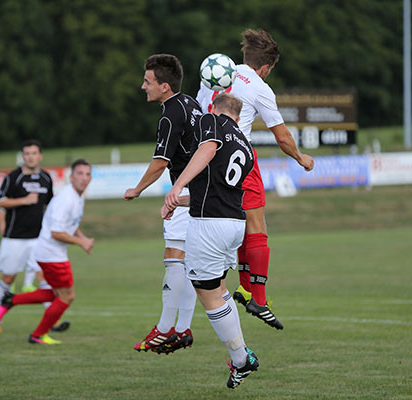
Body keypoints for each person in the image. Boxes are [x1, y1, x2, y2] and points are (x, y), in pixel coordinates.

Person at [197, 28, 315, 329]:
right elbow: (282, 135)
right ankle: (259, 300)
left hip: (208, 160)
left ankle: (245, 287)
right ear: (266, 67)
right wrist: (301, 158)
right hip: (239, 156)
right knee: (257, 227)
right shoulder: (259, 86)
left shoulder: (219, 72)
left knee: (239, 223)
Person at [162, 93, 258, 389]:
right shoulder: (245, 143)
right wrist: (179, 203)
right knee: (218, 287)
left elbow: (207, 148)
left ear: (213, 108)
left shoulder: (210, 121)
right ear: (239, 117)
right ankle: (243, 353)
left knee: (208, 294)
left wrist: (176, 187)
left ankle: (242, 360)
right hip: (234, 223)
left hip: (210, 225)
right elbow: (215, 190)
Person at [124, 54, 203, 354]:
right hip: (199, 194)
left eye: (148, 81)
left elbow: (161, 163)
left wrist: (138, 189)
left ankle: (165, 327)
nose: (142, 86)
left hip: (188, 192)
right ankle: (181, 329)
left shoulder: (170, 114)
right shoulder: (191, 103)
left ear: (165, 86)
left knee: (174, 257)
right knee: (191, 264)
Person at [0, 159, 94, 344]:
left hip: (51, 253)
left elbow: (71, 224)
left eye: (88, 174)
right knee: (67, 296)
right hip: (51, 255)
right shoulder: (66, 199)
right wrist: (81, 242)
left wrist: (83, 237)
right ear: (71, 177)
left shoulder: (78, 196)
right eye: (80, 174)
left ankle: (11, 300)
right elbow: (57, 233)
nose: (84, 178)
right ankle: (38, 335)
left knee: (56, 293)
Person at [0, 140, 60, 334]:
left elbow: (50, 206)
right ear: (23, 156)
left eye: (34, 153)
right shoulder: (14, 177)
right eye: (27, 153)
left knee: (44, 276)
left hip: (39, 239)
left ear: (40, 156)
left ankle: (52, 321)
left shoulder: (46, 178)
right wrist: (24, 200)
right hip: (15, 238)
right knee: (8, 277)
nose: (31, 156)